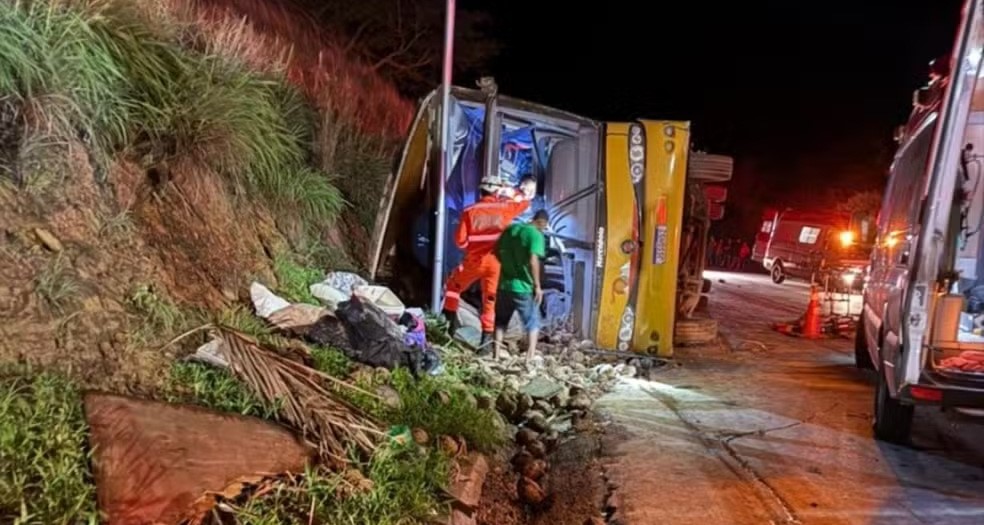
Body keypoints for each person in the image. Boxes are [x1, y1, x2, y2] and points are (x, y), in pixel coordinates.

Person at [442, 175, 535, 348]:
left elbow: (460, 241)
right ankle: (486, 342)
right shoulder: (505, 208)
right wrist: (514, 190)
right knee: (490, 299)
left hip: (475, 261)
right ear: (497, 191)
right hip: (497, 263)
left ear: (480, 190)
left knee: (453, 287)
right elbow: (525, 202)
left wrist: (474, 244)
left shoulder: (469, 211)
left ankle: (447, 326)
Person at [493, 209, 549, 362]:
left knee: (500, 322)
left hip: (504, 285)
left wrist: (507, 267)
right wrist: (537, 286)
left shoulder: (510, 229)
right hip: (522, 287)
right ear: (543, 223)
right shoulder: (535, 235)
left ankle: (496, 356)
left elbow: (496, 252)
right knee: (533, 322)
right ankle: (529, 358)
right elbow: (533, 260)